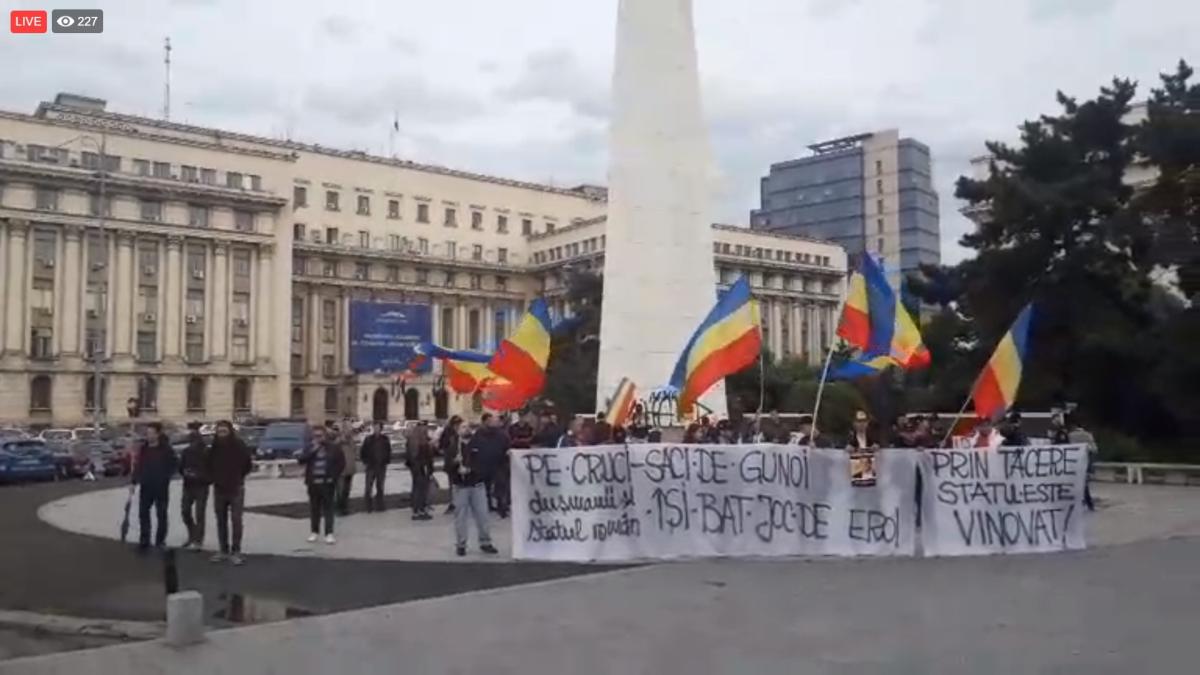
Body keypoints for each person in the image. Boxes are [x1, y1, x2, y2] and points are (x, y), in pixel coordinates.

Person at [443, 415, 498, 557]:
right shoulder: (453, 447)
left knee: (482, 515)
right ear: (457, 430)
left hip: (477, 485)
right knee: (460, 517)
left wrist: (472, 469)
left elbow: (485, 463)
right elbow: (446, 467)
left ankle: (485, 542)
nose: (466, 429)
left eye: (468, 427)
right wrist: (455, 463)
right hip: (460, 486)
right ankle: (461, 544)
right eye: (463, 427)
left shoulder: (478, 444)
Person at [207, 421, 253, 565]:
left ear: (230, 432)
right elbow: (208, 463)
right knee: (220, 520)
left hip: (236, 487)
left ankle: (236, 551)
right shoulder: (214, 447)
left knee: (236, 520)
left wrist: (238, 476)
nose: (221, 434)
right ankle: (223, 550)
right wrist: (214, 478)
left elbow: (248, 464)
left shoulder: (239, 446)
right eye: (219, 432)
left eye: (224, 432)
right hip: (219, 488)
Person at [133, 422, 177, 553]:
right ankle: (144, 540)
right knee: (143, 514)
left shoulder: (166, 449)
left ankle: (160, 541)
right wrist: (134, 481)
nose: (148, 436)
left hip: (161, 487)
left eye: (151, 433)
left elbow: (174, 465)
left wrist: (165, 477)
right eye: (147, 433)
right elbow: (138, 466)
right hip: (146, 486)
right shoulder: (144, 449)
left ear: (158, 434)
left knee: (161, 515)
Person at [298, 425, 344, 544]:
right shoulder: (310, 447)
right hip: (313, 483)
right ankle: (314, 532)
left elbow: (341, 463)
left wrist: (333, 477)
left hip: (327, 483)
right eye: (315, 436)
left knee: (328, 508)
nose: (318, 438)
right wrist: (313, 450)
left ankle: (329, 533)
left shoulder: (333, 448)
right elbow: (301, 460)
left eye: (320, 436)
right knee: (314, 508)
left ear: (325, 436)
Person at [178, 421, 210, 551]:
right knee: (185, 511)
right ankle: (192, 534)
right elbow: (181, 466)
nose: (193, 442)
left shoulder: (206, 452)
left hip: (201, 485)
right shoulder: (186, 452)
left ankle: (198, 540)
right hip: (188, 484)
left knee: (199, 513)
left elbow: (211, 469)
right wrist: (186, 473)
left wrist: (201, 476)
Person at [472, 413, 511, 518]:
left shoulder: (502, 434)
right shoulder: (479, 433)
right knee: (485, 487)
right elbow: (474, 447)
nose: (492, 422)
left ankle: (501, 507)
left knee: (500, 487)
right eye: (490, 420)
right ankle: (487, 505)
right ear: (484, 421)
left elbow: (507, 447)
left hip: (499, 464)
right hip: (484, 465)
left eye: (493, 420)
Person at [1066, 414, 1098, 511]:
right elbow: (1094, 450)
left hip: (1072, 464)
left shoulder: (1070, 436)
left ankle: (1077, 503)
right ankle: (1088, 504)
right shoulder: (1088, 435)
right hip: (1085, 463)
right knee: (1084, 484)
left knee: (1074, 484)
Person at [405, 421, 435, 520]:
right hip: (420, 467)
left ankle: (419, 509)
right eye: (425, 427)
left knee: (419, 488)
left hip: (419, 467)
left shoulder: (417, 437)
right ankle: (419, 510)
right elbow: (416, 455)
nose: (426, 429)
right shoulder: (418, 439)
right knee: (420, 489)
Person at [359, 423, 392, 513]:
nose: (376, 429)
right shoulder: (368, 439)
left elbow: (388, 451)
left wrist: (386, 461)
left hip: (381, 466)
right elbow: (362, 451)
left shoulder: (385, 439)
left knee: (380, 487)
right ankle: (368, 506)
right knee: (368, 487)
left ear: (381, 429)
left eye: (378, 427)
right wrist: (365, 461)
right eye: (375, 427)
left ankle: (380, 505)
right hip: (371, 466)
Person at [439, 417, 465, 514]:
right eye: (457, 424)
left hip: (460, 462)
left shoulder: (461, 433)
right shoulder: (448, 433)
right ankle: (453, 502)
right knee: (453, 483)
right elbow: (442, 447)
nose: (458, 426)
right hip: (452, 463)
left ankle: (459, 502)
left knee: (461, 484)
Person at [333, 422, 356, 516]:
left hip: (350, 470)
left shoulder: (352, 441)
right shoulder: (338, 442)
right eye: (347, 429)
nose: (349, 431)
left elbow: (354, 453)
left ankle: (345, 508)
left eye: (350, 429)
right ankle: (338, 509)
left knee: (347, 490)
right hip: (340, 470)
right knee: (340, 491)